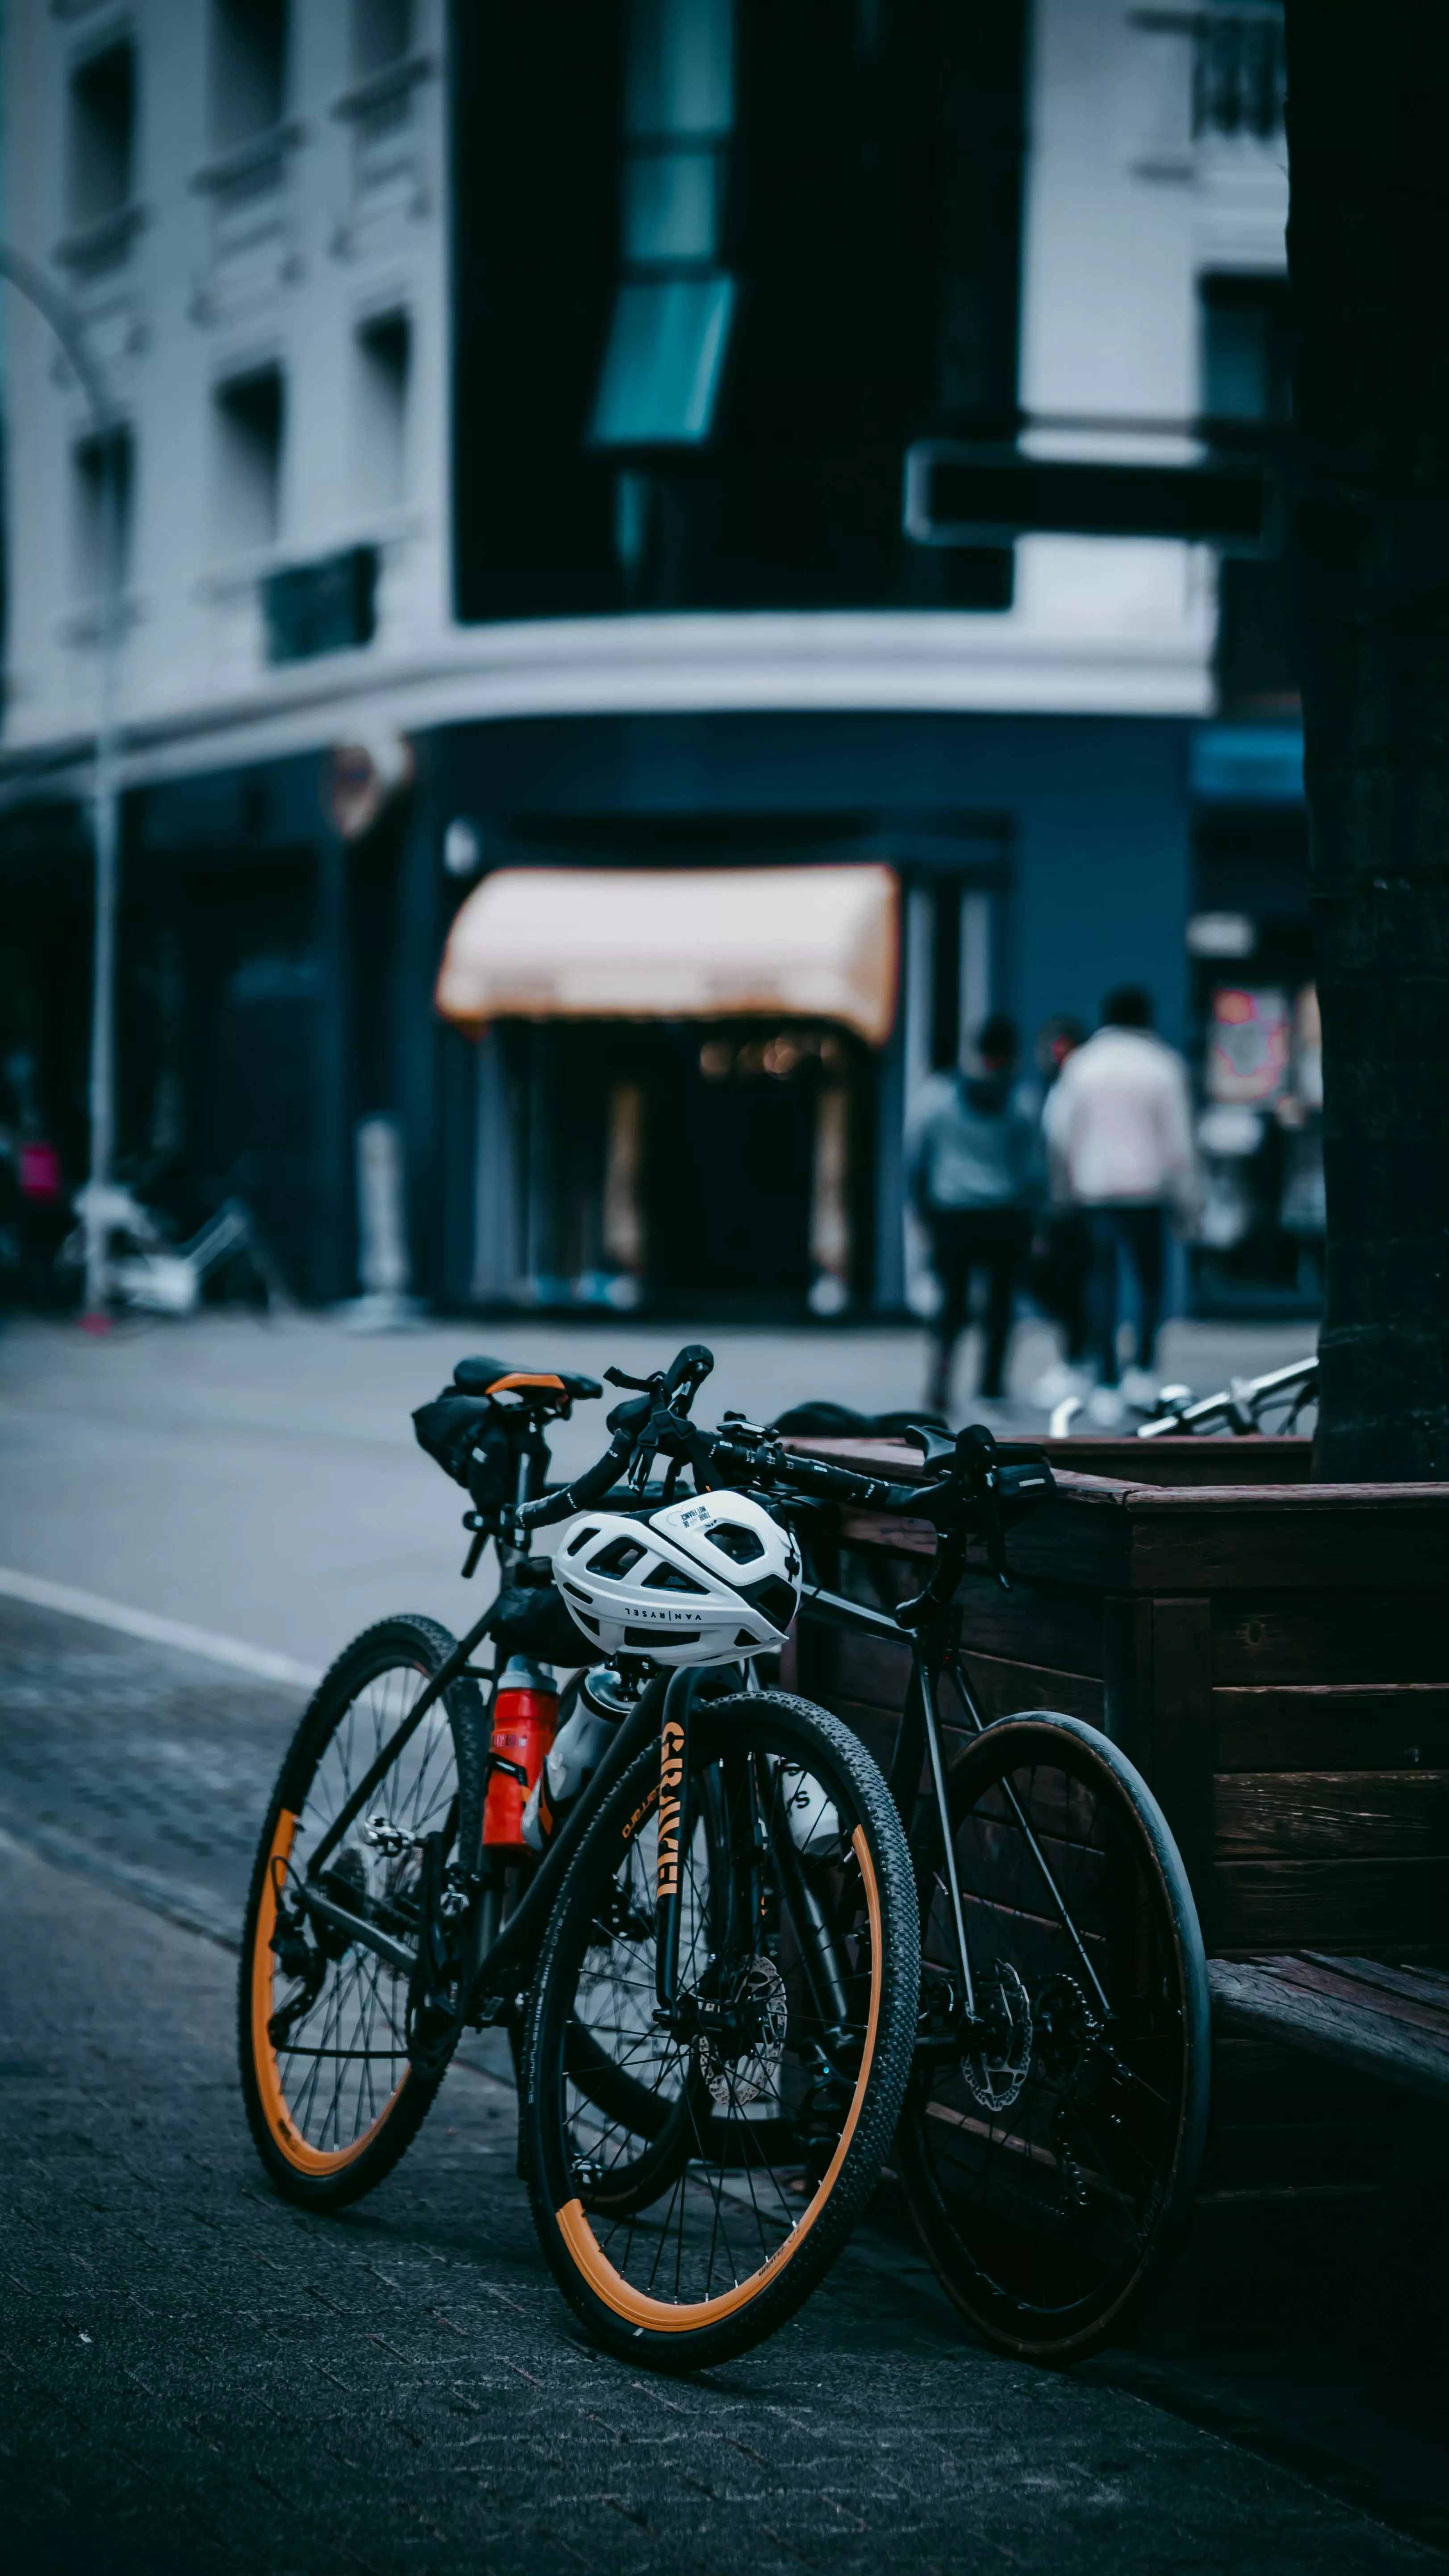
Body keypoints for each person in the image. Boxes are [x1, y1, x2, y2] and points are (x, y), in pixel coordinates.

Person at [1043, 985, 1198, 1407]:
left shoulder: (1083, 1066)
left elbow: (1058, 1131)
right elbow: (1178, 1142)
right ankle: (1143, 1370)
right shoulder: (1162, 1065)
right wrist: (1188, 1201)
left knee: (1100, 1284)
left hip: (1094, 1191)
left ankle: (1106, 1378)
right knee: (1149, 1283)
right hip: (1148, 1190)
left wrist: (1062, 1191)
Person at [907, 1012, 1038, 1413]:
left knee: (951, 1303)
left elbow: (917, 1159)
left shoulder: (939, 1096)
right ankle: (991, 1384)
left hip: (952, 1213)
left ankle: (941, 1380)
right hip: (1003, 1214)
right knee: (1000, 1304)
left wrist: (923, 1211)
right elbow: (1032, 1169)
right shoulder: (1020, 1102)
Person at [1026, 1016, 1090, 1402]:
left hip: (1079, 1203)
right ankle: (1076, 1359)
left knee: (1076, 1286)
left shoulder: (1076, 1091)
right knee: (1055, 1285)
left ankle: (1078, 1362)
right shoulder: (1048, 1091)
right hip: (1055, 1205)